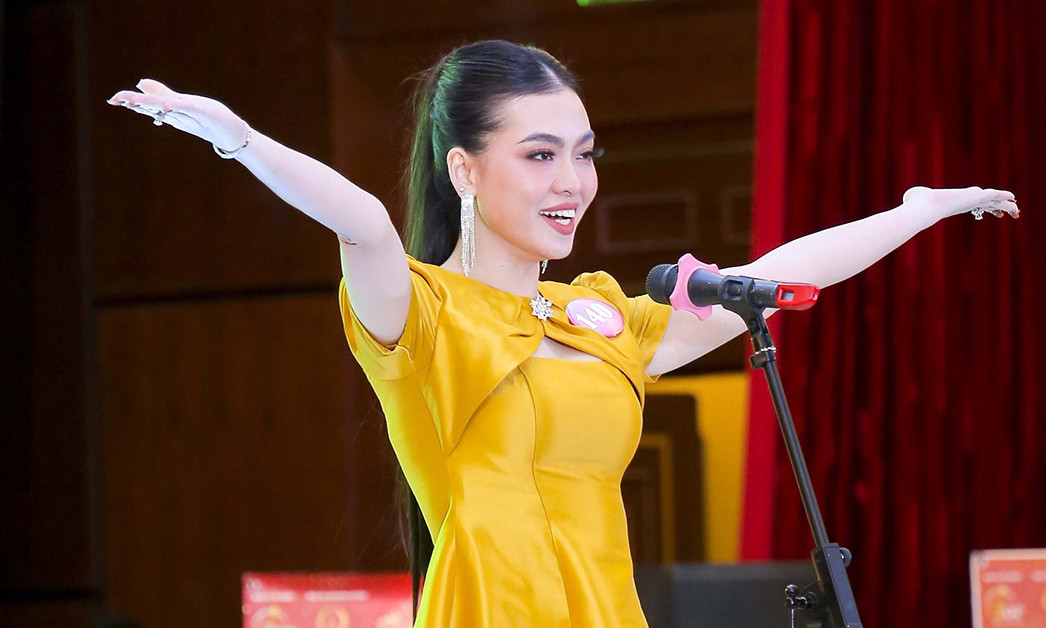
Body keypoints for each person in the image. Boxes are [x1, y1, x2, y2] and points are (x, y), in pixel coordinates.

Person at [108, 40, 1019, 627]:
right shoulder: (419, 313)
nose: (571, 182)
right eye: (539, 155)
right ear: (464, 170)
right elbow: (363, 225)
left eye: (583, 154)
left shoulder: (602, 318)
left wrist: (915, 212)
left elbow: (770, 279)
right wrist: (239, 139)